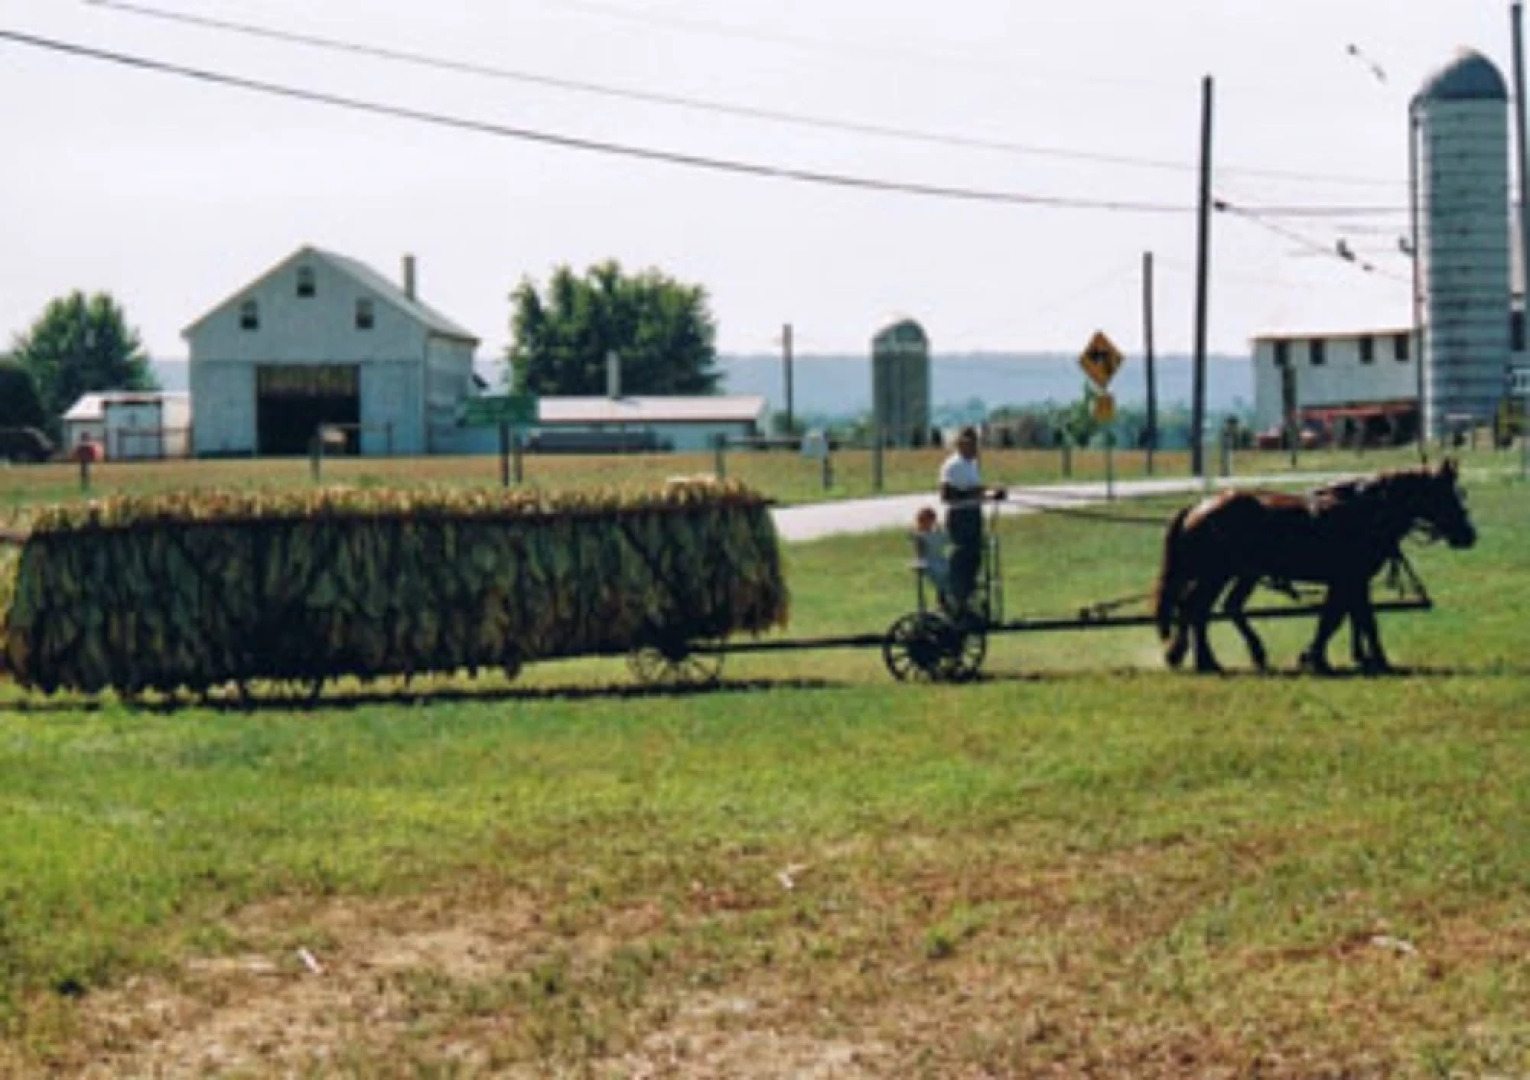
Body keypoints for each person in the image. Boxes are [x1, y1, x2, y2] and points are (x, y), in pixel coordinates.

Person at [939, 426, 1005, 616]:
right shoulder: (952, 465)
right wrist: (977, 493)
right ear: (960, 444)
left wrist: (992, 494)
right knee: (963, 558)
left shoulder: (972, 465)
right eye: (970, 444)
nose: (974, 448)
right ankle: (956, 601)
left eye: (976, 444)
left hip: (974, 515)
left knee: (975, 559)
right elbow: (947, 496)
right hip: (960, 517)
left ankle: (967, 601)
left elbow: (976, 490)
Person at [912, 506, 951, 603]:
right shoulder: (920, 536)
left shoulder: (937, 533)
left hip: (940, 559)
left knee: (950, 570)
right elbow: (919, 553)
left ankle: (947, 597)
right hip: (929, 561)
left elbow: (946, 540)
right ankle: (943, 597)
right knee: (941, 573)